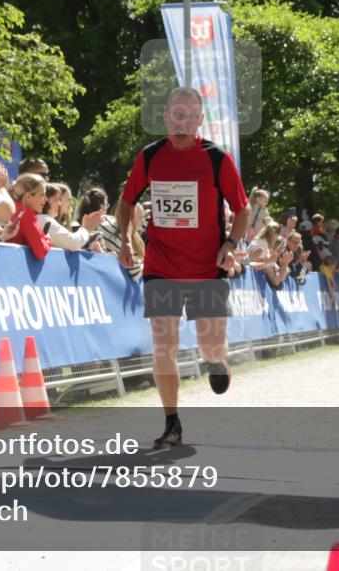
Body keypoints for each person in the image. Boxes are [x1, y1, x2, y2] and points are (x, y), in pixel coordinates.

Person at [116, 86, 250, 449]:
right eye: (177, 114)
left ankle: (216, 360)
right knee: (164, 345)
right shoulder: (150, 156)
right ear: (166, 116)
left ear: (200, 120)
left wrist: (230, 244)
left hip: (207, 269)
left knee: (210, 346)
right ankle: (171, 422)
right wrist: (126, 239)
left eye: (190, 116)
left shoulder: (216, 158)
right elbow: (127, 201)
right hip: (161, 267)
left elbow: (242, 209)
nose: (182, 122)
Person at [38, 182, 103, 251]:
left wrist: (89, 249)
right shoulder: (44, 219)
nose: (59, 203)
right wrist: (86, 229)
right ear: (45, 200)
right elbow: (72, 243)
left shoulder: (44, 219)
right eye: (57, 199)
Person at [6, 172, 51, 260]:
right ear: (28, 196)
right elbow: (41, 251)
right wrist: (47, 239)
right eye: (42, 195)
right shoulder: (26, 214)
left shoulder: (13, 207)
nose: (46, 199)